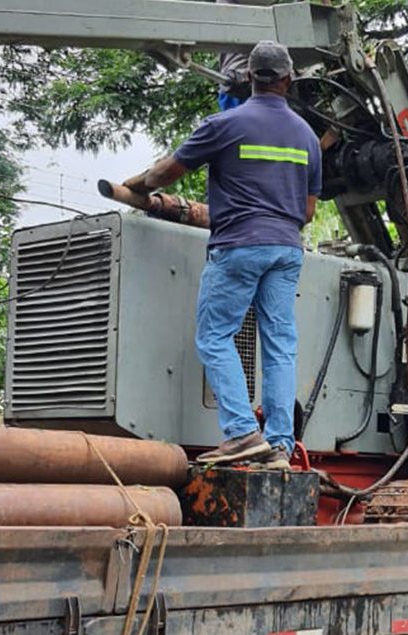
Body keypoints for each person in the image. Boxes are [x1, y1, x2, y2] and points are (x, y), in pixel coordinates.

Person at [136, 40, 321, 469]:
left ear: (250, 77)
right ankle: (279, 445)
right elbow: (308, 211)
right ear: (288, 80)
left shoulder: (224, 124)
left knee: (216, 336)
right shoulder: (308, 138)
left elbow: (167, 172)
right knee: (279, 347)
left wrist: (142, 185)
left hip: (239, 245)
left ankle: (240, 432)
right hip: (287, 249)